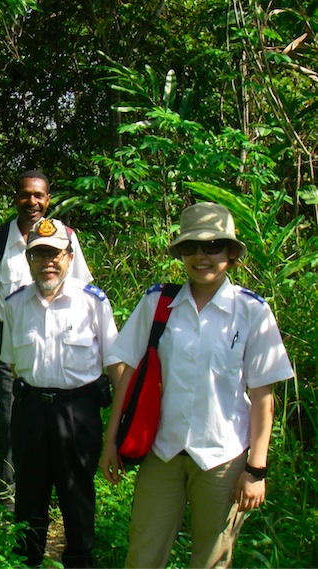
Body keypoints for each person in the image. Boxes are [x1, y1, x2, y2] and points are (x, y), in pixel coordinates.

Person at [99, 202, 294, 568]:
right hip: (164, 451)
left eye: (213, 246)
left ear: (232, 253)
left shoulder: (252, 312)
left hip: (224, 458)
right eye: (190, 247)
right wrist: (111, 441)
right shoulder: (158, 302)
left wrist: (256, 470)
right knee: (143, 552)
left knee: (211, 559)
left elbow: (263, 397)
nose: (201, 256)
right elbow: (128, 373)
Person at [1, 218, 120, 568]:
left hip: (77, 412)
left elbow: (116, 365)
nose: (47, 262)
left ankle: (80, 560)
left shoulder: (93, 302)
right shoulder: (15, 304)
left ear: (69, 256)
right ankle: (28, 561)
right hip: (31, 412)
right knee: (29, 496)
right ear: (28, 259)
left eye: (54, 254)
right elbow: (9, 362)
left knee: (77, 495)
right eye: (39, 254)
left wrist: (117, 429)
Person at [0, 170, 93, 503]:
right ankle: (6, 490)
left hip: (59, 340)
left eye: (39, 195)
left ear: (48, 199)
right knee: (8, 416)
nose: (32, 201)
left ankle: (44, 489)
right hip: (11, 341)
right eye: (25, 194)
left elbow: (83, 289)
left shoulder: (66, 238)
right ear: (16, 197)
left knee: (52, 416)